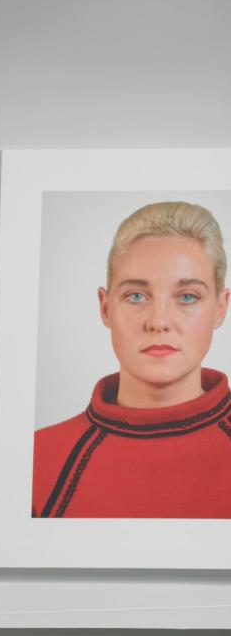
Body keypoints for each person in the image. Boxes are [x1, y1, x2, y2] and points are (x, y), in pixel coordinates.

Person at [32, 201, 230, 518]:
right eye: (136, 296)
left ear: (220, 308)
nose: (158, 321)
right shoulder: (37, 458)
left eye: (187, 297)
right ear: (106, 307)